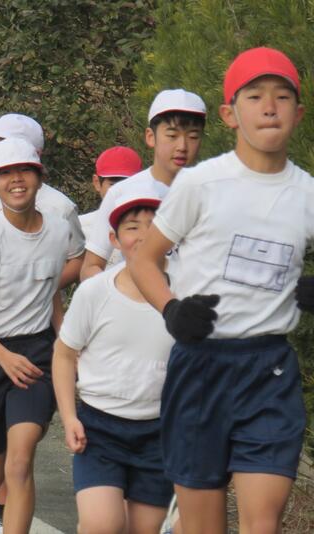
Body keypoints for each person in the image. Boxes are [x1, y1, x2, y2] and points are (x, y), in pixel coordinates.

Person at [130, 47, 310, 534]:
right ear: (230, 115)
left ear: (298, 112)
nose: (269, 107)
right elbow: (144, 259)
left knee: (262, 524)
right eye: (255, 97)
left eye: (282, 97)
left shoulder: (307, 194)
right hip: (200, 366)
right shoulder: (200, 184)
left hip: (268, 370)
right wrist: (171, 309)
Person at [0, 137, 70, 534]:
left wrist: (66, 343)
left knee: (20, 461)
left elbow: (50, 292)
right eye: (5, 174)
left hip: (36, 354)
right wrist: (3, 358)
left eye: (25, 171)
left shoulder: (59, 231)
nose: (16, 180)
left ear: (40, 177)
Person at [54, 180, 173, 534]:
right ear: (114, 239)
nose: (143, 235)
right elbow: (64, 355)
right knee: (101, 524)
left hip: (160, 431)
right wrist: (70, 417)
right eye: (132, 227)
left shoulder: (186, 292)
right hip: (99, 428)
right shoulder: (95, 292)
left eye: (153, 226)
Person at [80, 89, 206, 280]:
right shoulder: (122, 193)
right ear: (150, 136)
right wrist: (120, 292)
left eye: (193, 136)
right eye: (172, 135)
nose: (182, 146)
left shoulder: (214, 194)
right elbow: (91, 267)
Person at [0, 113, 86, 288]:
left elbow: (77, 257)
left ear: (35, 154)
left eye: (5, 147)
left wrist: (42, 292)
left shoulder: (60, 207)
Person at [78, 146, 143, 267]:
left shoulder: (154, 226)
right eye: (113, 185)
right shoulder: (80, 227)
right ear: (97, 183)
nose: (120, 191)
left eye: (128, 184)